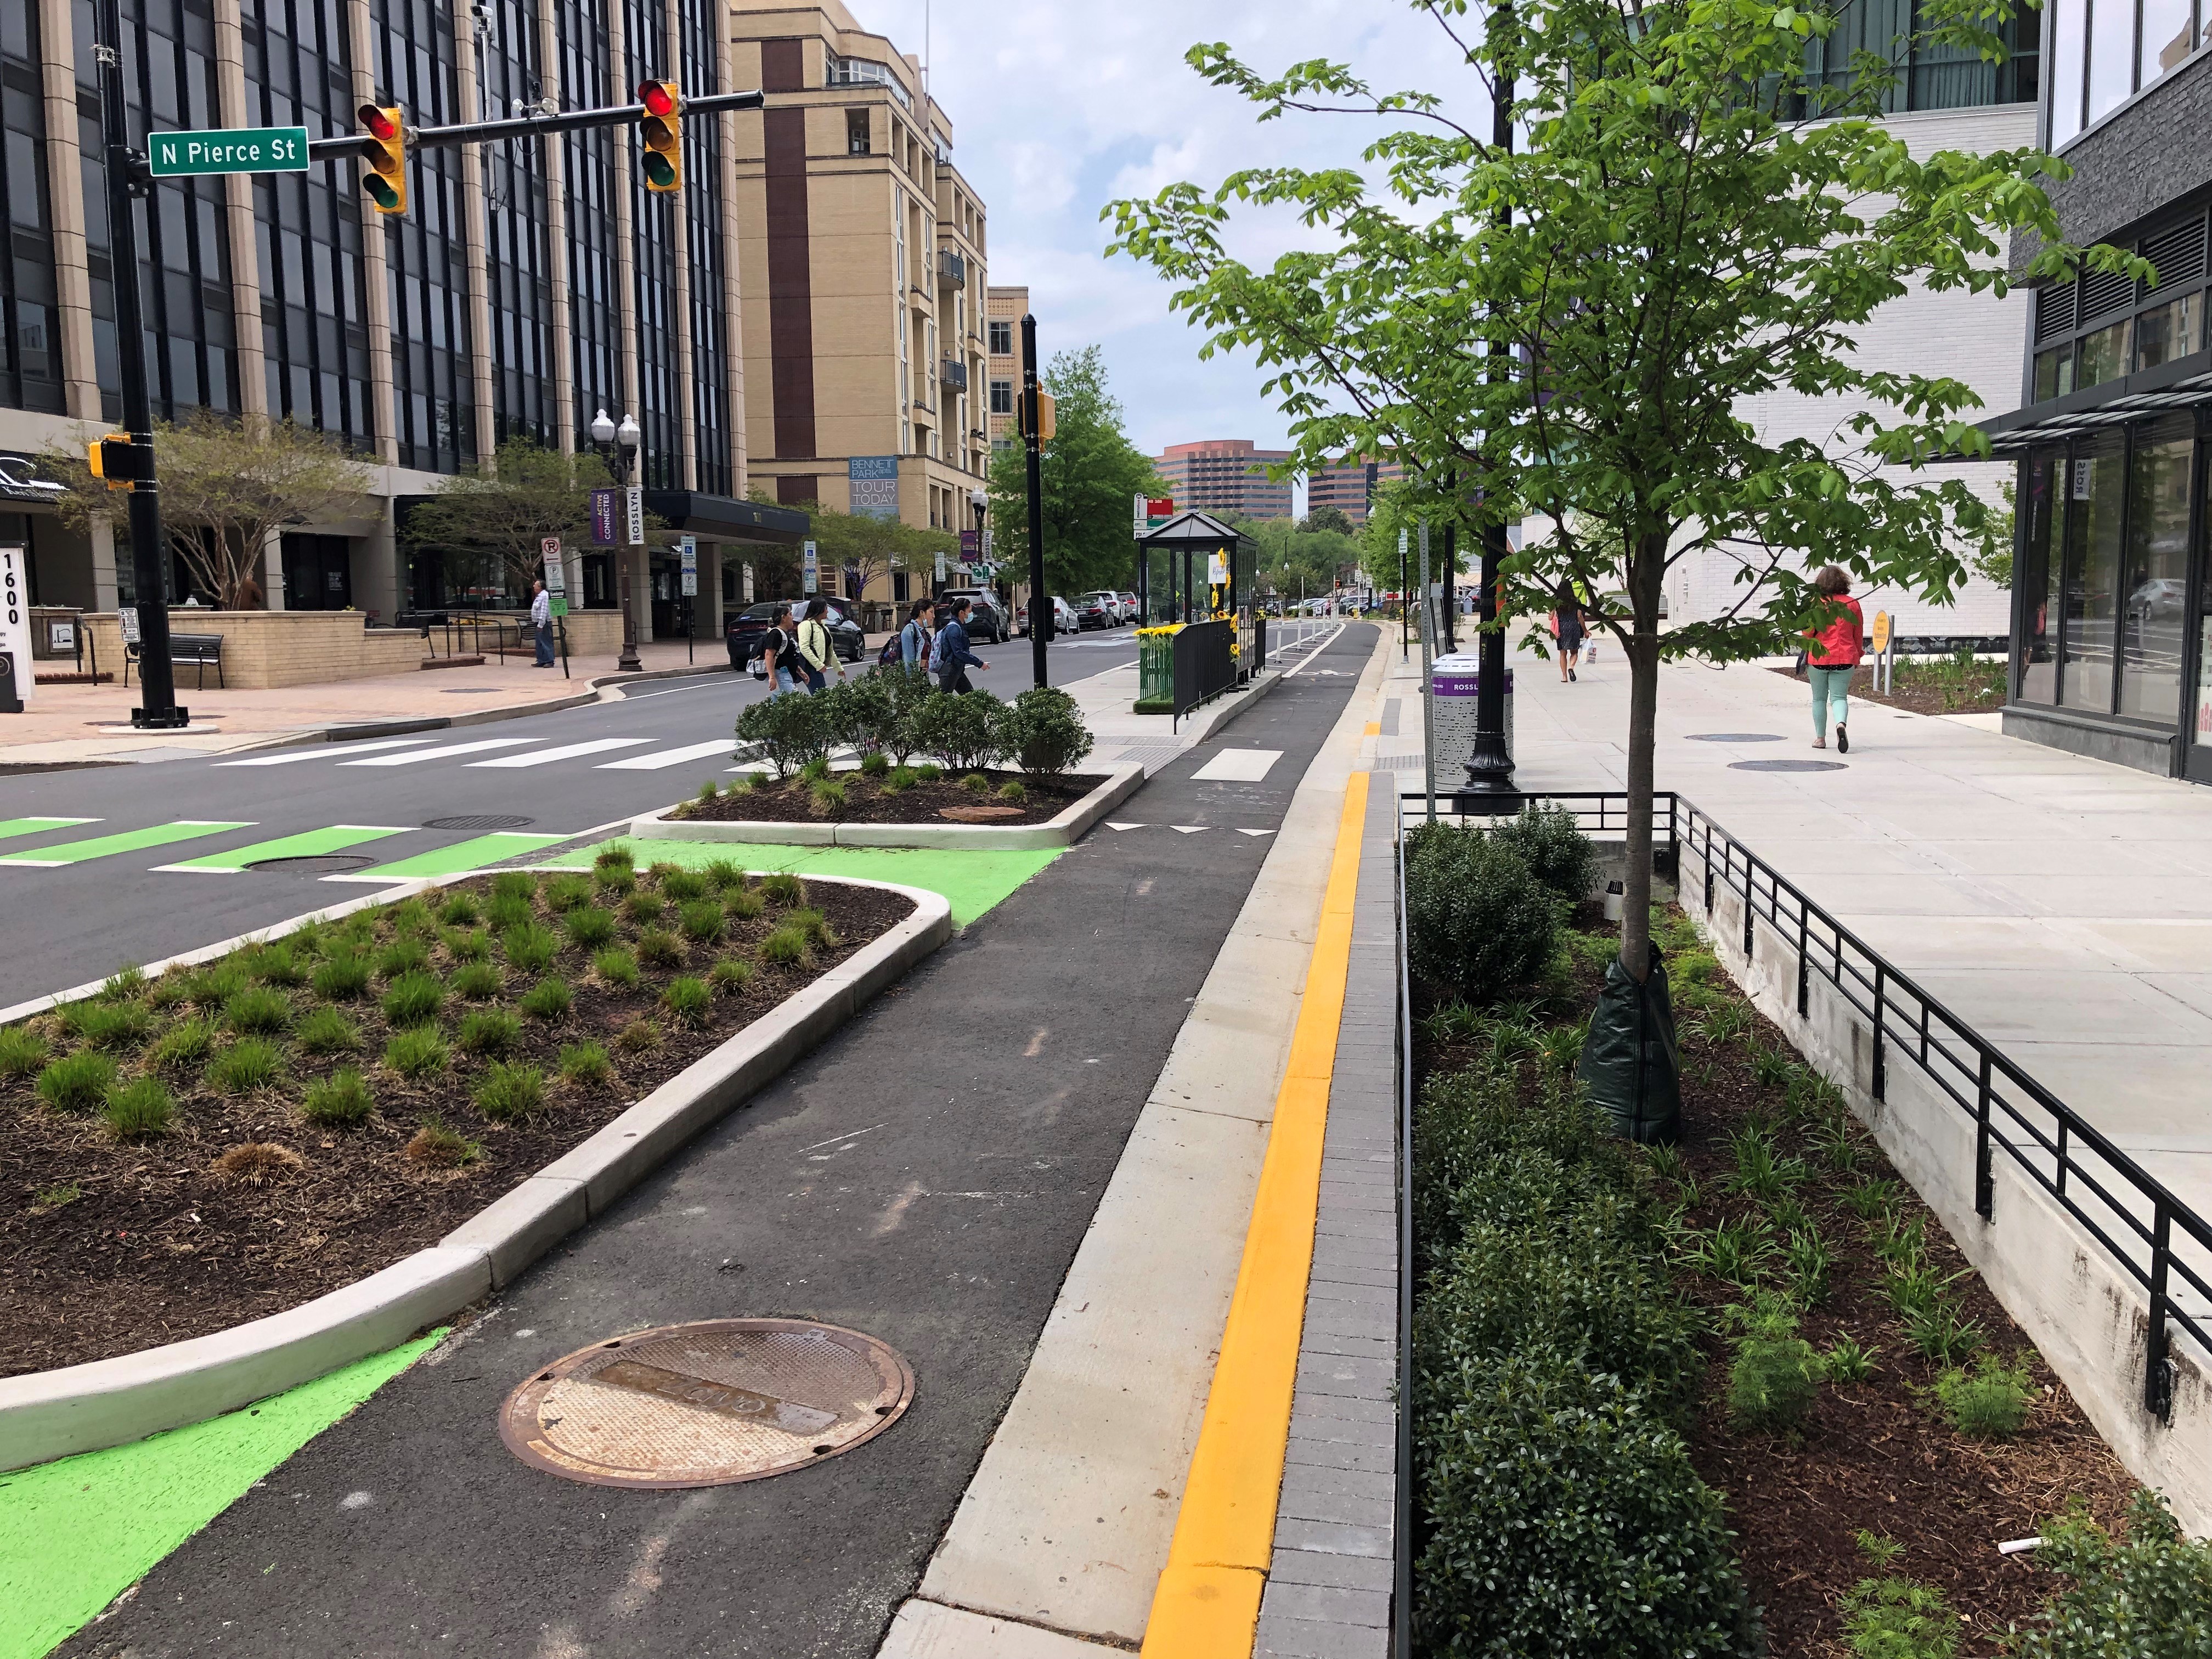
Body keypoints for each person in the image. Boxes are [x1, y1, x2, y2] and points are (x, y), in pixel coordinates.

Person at [1804, 565, 1865, 752]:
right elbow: (1858, 634)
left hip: (1819, 658)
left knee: (1819, 699)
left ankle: (1820, 739)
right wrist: (1858, 654)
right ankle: (1840, 725)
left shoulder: (1816, 604)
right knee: (1839, 697)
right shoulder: (1852, 604)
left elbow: (1807, 634)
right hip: (1846, 656)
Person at [934, 596, 989, 693]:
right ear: (961, 613)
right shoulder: (954, 629)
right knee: (942, 701)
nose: (971, 614)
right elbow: (959, 652)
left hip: (957, 669)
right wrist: (979, 663)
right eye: (969, 611)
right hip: (950, 670)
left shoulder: (958, 627)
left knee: (970, 697)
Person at [795, 597, 843, 692]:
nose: (827, 612)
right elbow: (804, 648)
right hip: (810, 666)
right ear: (819, 610)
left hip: (817, 667)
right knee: (821, 695)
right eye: (826, 609)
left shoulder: (823, 626)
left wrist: (838, 668)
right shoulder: (806, 625)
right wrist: (818, 665)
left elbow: (829, 650)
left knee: (821, 695)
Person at [760, 603, 802, 699]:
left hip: (787, 674)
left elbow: (787, 656)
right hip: (781, 674)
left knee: (779, 702)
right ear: (784, 617)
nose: (793, 617)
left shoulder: (785, 633)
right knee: (794, 701)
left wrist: (800, 671)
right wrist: (772, 677)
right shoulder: (776, 633)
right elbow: (769, 655)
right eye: (790, 614)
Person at [1551, 583, 1585, 682]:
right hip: (1574, 626)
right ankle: (1571, 667)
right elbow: (1579, 616)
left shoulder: (1556, 602)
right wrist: (1585, 630)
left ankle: (1564, 677)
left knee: (1563, 653)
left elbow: (1550, 617)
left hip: (1562, 627)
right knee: (1574, 652)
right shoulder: (1576, 601)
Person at [899, 597, 934, 671]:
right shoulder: (910, 630)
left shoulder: (923, 632)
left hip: (923, 674)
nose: (934, 616)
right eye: (931, 612)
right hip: (915, 677)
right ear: (922, 613)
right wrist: (912, 679)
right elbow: (908, 660)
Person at [529, 578, 555, 668]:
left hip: (544, 623)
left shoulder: (545, 596)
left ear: (540, 587)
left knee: (546, 642)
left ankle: (549, 661)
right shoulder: (539, 596)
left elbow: (544, 611)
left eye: (535, 585)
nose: (533, 586)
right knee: (539, 642)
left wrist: (541, 624)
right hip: (538, 623)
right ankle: (541, 660)